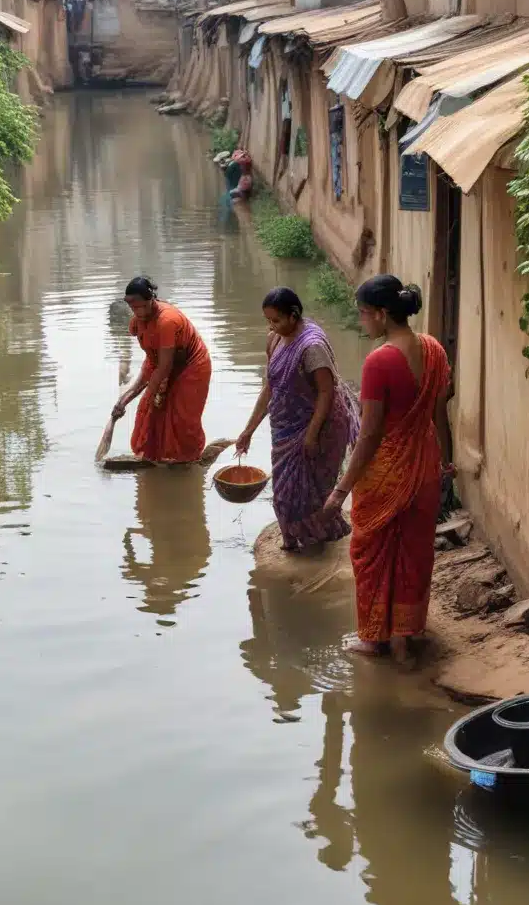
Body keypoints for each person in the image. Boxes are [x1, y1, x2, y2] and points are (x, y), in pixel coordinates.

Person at [319, 274, 451, 665]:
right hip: (424, 467)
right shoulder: (434, 350)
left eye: (363, 314)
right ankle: (404, 637)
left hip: (386, 475)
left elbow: (370, 436)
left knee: (371, 553)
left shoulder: (380, 361)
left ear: (381, 313)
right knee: (413, 553)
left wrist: (341, 488)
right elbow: (438, 412)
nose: (362, 322)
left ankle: (376, 638)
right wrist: (445, 460)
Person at [235, 288, 358, 551]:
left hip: (320, 425)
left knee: (310, 493)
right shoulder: (274, 340)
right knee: (284, 492)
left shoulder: (311, 347)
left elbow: (326, 392)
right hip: (285, 428)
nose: (272, 326)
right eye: (268, 320)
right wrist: (248, 430)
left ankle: (317, 540)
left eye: (276, 320)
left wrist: (312, 435)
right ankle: (294, 538)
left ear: (294, 315)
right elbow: (270, 387)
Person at [112, 276, 212, 463]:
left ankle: (190, 460)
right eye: (134, 308)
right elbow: (152, 361)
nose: (138, 312)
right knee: (149, 411)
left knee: (182, 416)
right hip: (161, 362)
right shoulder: (136, 323)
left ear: (152, 300)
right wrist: (123, 401)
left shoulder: (166, 321)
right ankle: (162, 457)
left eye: (142, 306)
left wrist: (150, 393)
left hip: (191, 364)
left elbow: (164, 366)